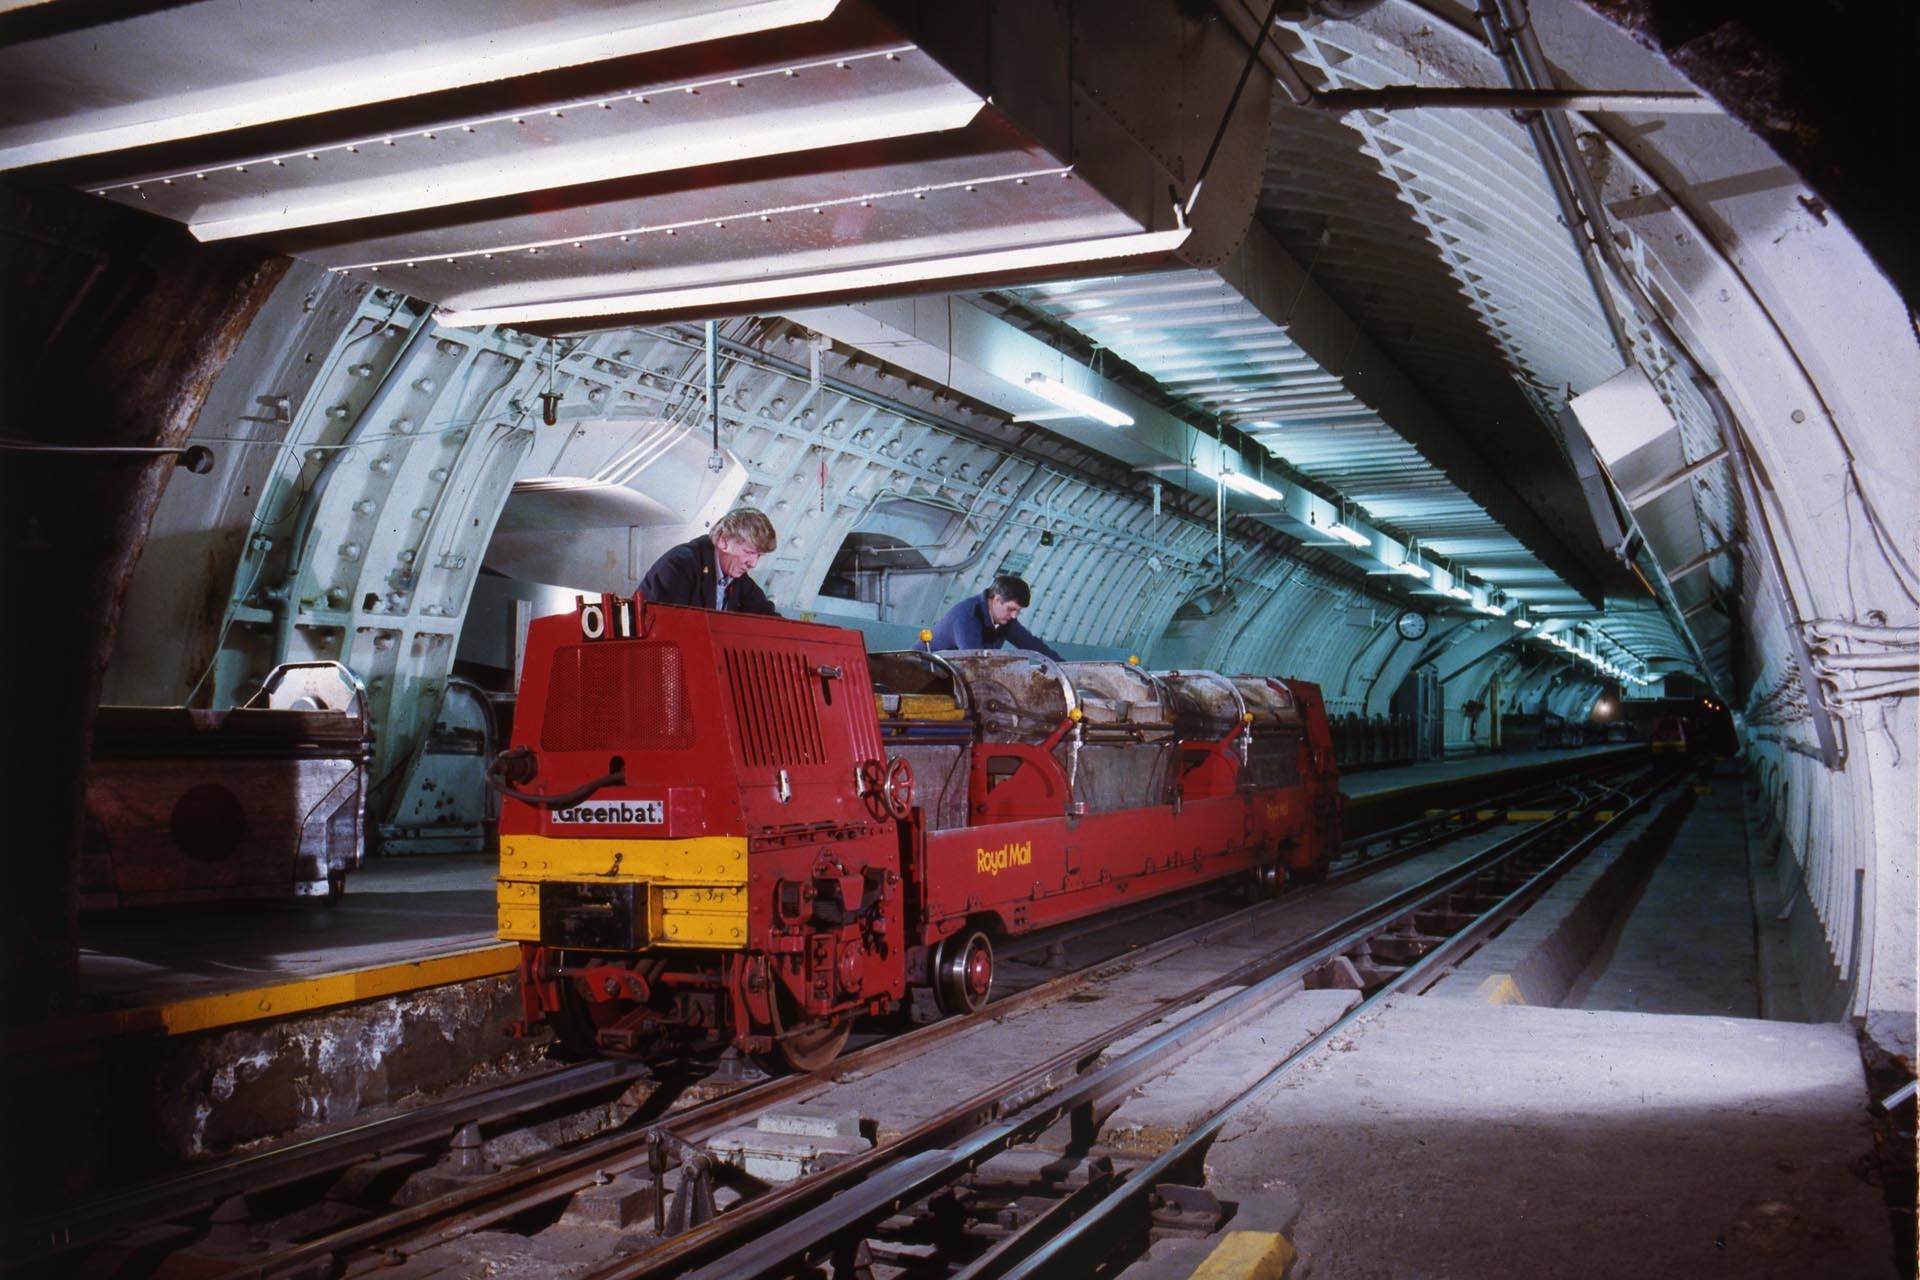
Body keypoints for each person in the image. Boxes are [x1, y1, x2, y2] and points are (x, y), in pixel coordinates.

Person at [638, 506, 780, 615]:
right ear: (724, 541)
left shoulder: (738, 578)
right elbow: (668, 626)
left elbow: (766, 616)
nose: (753, 563)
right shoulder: (680, 565)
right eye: (748, 552)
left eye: (759, 556)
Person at [929, 574, 1061, 660]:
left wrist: (1065, 668)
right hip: (924, 675)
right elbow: (974, 661)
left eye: (1018, 611)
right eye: (1011, 609)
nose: (1014, 616)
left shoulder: (1005, 620)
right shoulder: (967, 617)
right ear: (997, 599)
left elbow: (1033, 645)